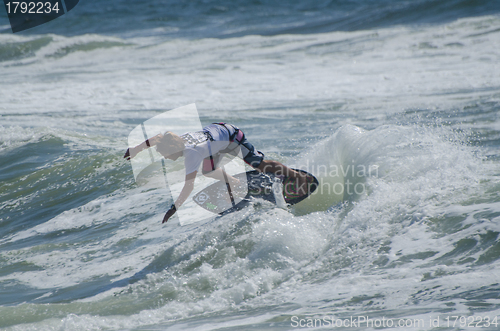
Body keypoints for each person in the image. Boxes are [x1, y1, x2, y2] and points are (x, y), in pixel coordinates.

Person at [124, 123, 311, 224]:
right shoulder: (174, 140)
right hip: (216, 135)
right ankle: (234, 183)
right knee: (208, 170)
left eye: (164, 153)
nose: (163, 156)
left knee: (259, 165)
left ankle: (296, 175)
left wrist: (174, 208)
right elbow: (157, 138)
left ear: (172, 150)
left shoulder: (191, 154)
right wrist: (136, 149)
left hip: (231, 137)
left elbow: (188, 185)